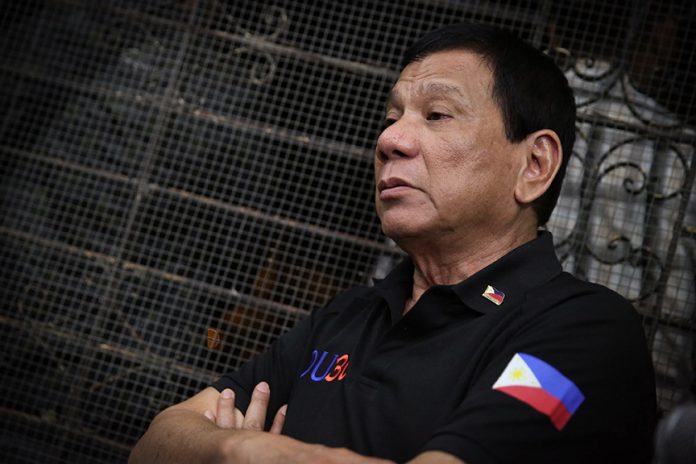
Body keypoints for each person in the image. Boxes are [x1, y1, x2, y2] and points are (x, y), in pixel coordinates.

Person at [130, 23, 657, 463]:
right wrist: (241, 450)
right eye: (391, 118)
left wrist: (260, 450)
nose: (389, 140)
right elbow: (155, 442)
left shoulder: (584, 331)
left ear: (534, 165)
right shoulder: (348, 315)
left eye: (436, 116)